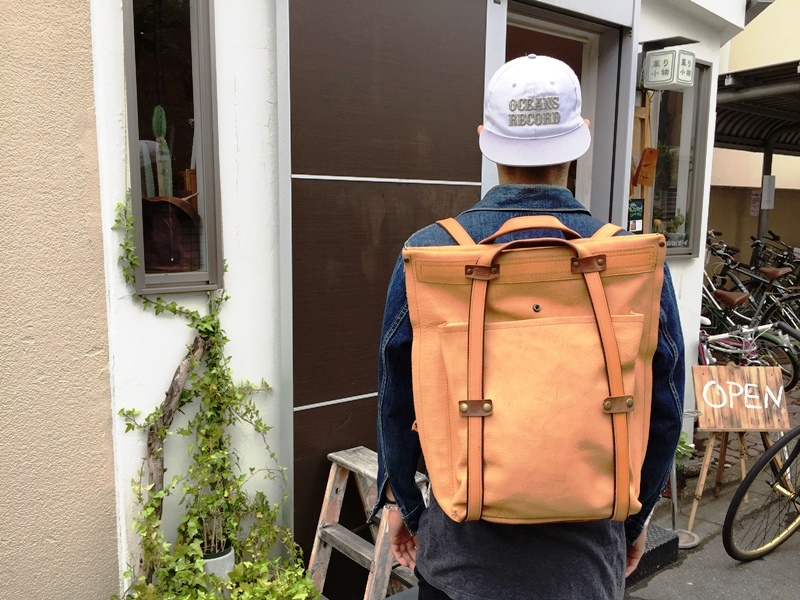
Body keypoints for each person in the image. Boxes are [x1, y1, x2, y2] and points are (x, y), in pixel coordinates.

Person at [372, 55, 685, 599]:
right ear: (581, 137)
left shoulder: (431, 253)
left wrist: (403, 502)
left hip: (457, 562)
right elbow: (666, 407)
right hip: (585, 566)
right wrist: (633, 523)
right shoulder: (628, 262)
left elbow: (397, 398)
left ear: (485, 140)